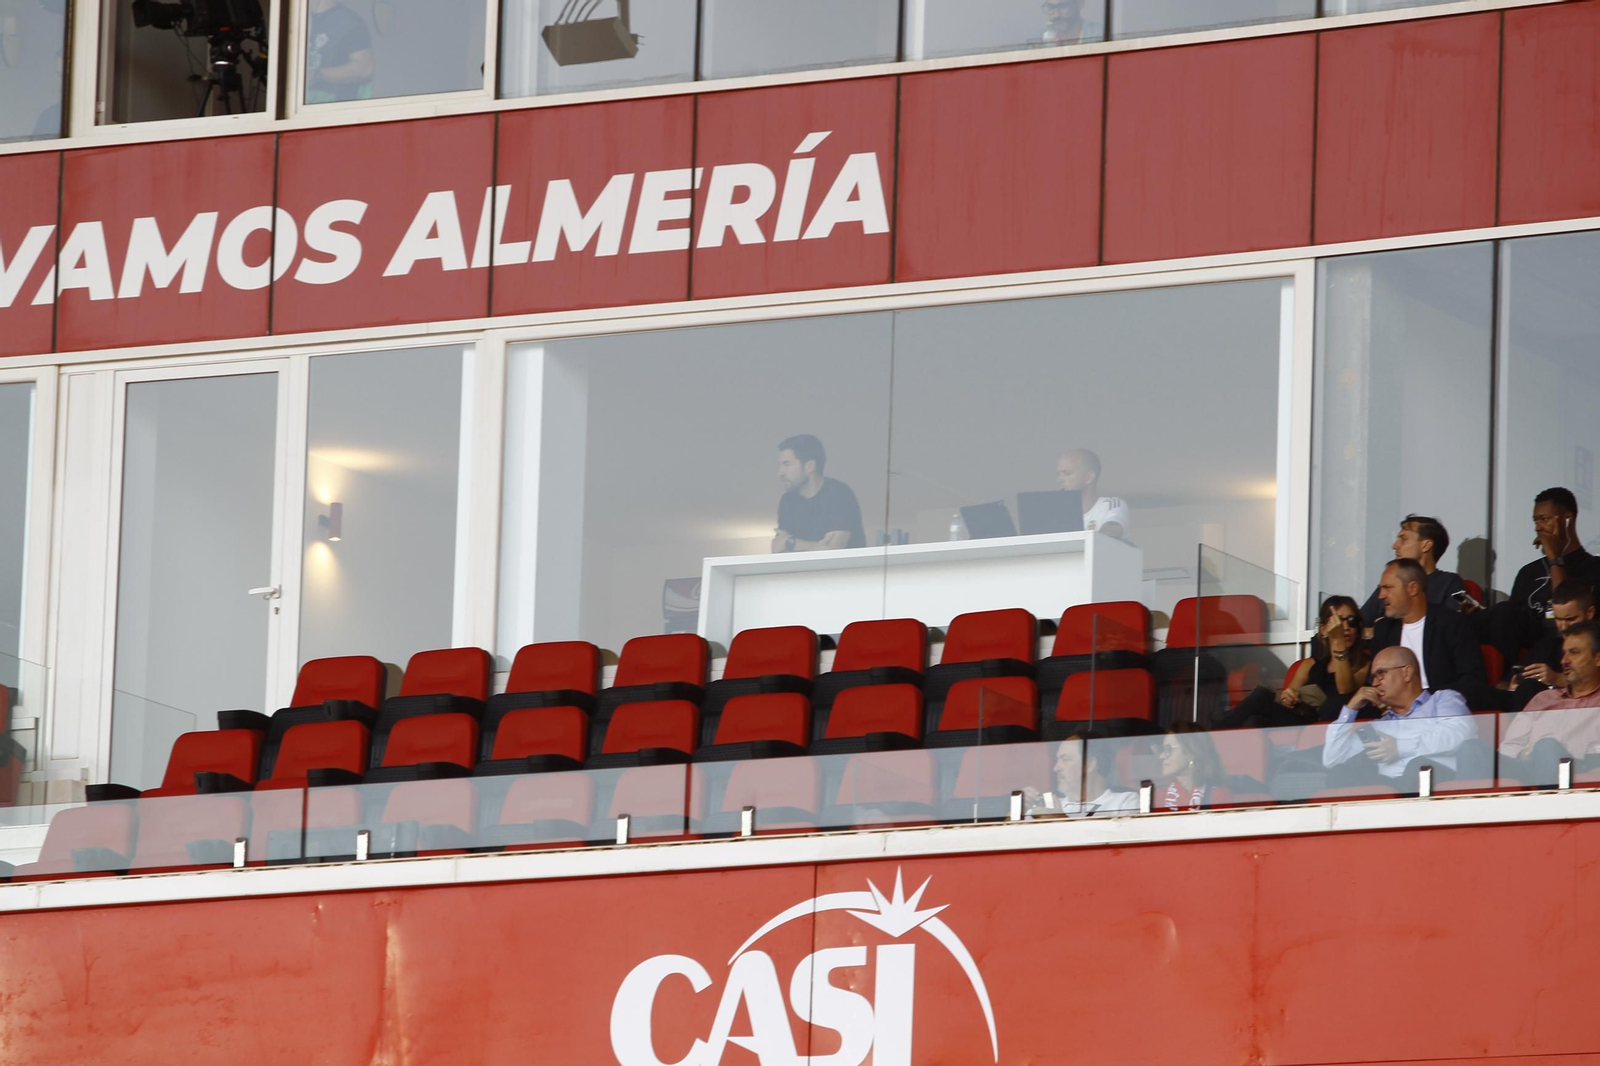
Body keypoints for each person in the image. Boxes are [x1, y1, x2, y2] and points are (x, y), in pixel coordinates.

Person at [1322, 646, 1474, 790]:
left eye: (1381, 673)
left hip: (1433, 783)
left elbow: (1459, 734)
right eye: (1373, 677)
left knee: (1417, 766)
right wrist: (1350, 709)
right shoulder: (1378, 726)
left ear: (1407, 672)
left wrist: (1400, 747)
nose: (1375, 683)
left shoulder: (1442, 700)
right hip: (1391, 791)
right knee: (1341, 773)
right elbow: (1333, 760)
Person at [1479, 488, 1600, 665]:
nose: (1538, 528)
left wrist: (1555, 559)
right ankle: (1506, 679)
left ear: (1567, 520)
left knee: (1550, 643)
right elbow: (1509, 622)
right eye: (1536, 521)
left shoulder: (1594, 568)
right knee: (1502, 611)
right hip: (1531, 647)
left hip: (1566, 644)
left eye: (1545, 520)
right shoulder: (1528, 572)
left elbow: (1565, 604)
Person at [1214, 595, 1371, 728]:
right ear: (1323, 629)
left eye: (1351, 620)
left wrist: (1338, 643)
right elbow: (1288, 695)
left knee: (1260, 697)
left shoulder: (1364, 662)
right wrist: (1289, 697)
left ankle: (1211, 735)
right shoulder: (1310, 664)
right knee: (1254, 721)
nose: (1345, 627)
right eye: (1337, 621)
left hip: (1323, 721)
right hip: (1298, 717)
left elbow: (1346, 691)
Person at [1369, 558, 1487, 703]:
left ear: (1413, 588)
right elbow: (1373, 680)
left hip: (1441, 710)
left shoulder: (1451, 623)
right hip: (1392, 714)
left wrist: (1420, 699)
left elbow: (1472, 680)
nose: (1381, 596)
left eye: (1388, 588)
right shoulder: (1384, 630)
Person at [1499, 622, 1600, 786]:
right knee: (1471, 749)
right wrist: (1531, 754)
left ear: (1597, 659)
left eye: (1574, 652)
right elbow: (1509, 747)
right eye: (1564, 653)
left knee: (1547, 746)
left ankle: (1548, 810)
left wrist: (1544, 750)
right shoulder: (1543, 698)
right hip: (1527, 767)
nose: (1564, 660)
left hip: (1578, 773)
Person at [1358, 515, 1467, 623]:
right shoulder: (1390, 582)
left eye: (1403, 539)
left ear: (1426, 546)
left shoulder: (1449, 583)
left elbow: (1450, 626)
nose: (1395, 545)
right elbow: (1358, 625)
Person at [771, 434, 865, 553]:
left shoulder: (838, 494)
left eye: (787, 464)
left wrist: (790, 542)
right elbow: (777, 548)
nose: (780, 472)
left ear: (809, 466)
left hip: (843, 572)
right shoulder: (788, 501)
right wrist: (812, 547)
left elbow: (832, 551)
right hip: (802, 572)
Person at [1022, 735, 1139, 818]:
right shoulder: (1047, 807)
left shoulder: (1125, 802)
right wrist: (1016, 812)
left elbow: (1119, 847)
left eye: (1065, 759)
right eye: (1057, 760)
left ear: (1090, 764)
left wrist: (1060, 821)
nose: (1056, 768)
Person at [306, 0, 374, 104]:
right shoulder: (298, 19)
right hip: (304, 110)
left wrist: (316, 76)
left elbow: (364, 68)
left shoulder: (348, 21)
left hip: (334, 110)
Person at [1152, 723, 1231, 811]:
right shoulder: (1159, 796)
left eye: (1169, 749)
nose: (1161, 756)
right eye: (1162, 750)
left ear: (1191, 752)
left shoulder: (1217, 795)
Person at [1055, 448, 1128, 540]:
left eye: (1067, 473)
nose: (1059, 480)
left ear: (1089, 477)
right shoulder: (1060, 514)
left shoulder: (1110, 504)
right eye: (1058, 475)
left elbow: (1112, 531)